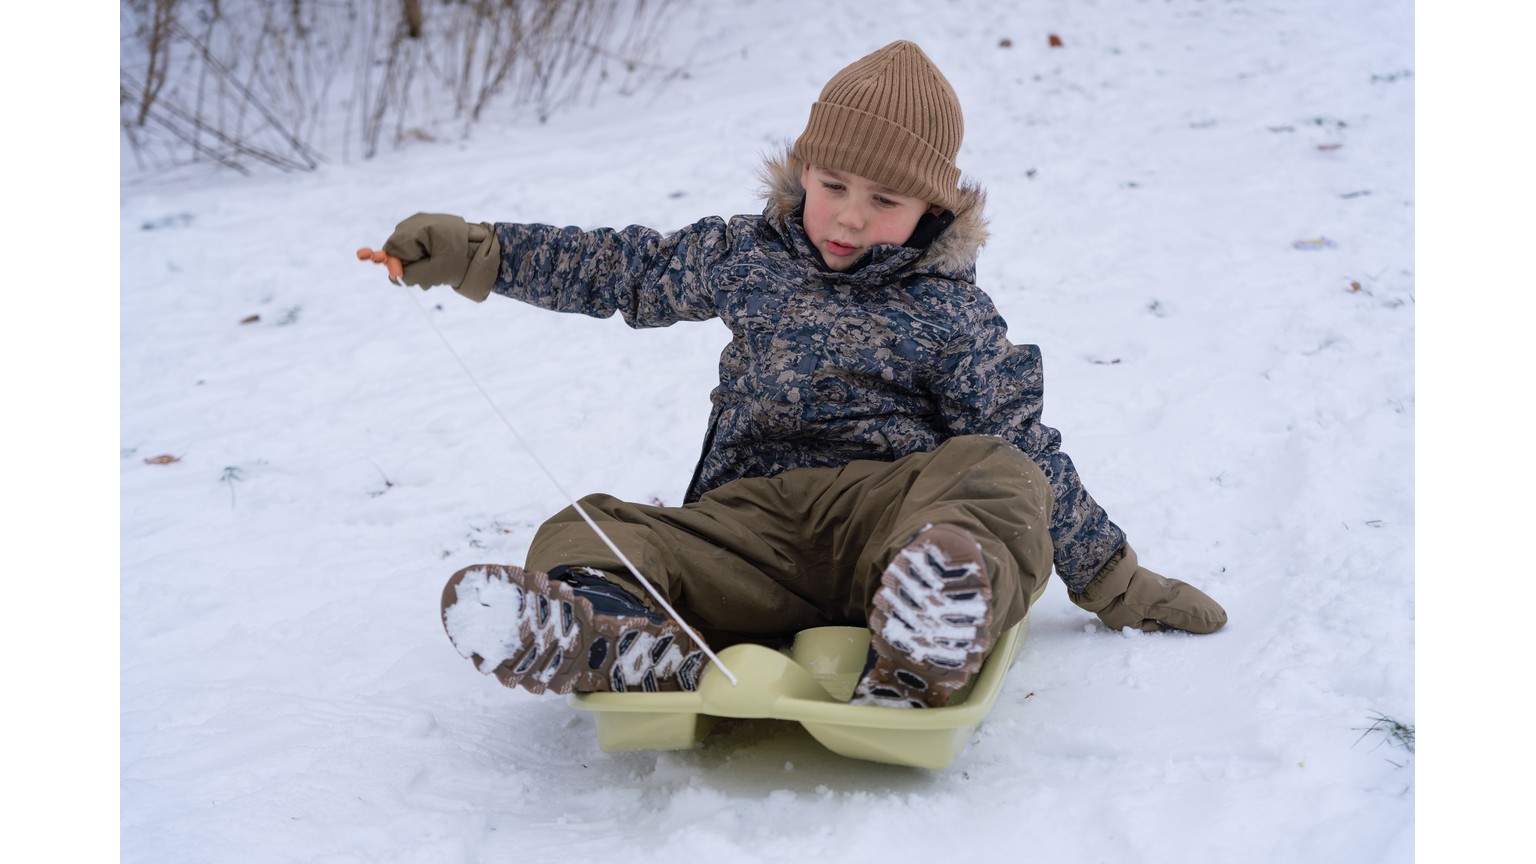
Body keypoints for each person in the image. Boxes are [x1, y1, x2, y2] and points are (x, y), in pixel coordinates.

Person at [359, 40, 1227, 709]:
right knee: (588, 524)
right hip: (751, 531)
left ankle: (926, 632)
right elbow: (622, 271)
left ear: (932, 208)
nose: (849, 215)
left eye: (884, 201)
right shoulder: (748, 256)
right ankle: (611, 635)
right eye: (833, 182)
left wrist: (1114, 581)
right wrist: (482, 253)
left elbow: (1025, 448)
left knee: (1000, 474)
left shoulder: (952, 313)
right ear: (802, 169)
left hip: (890, 531)